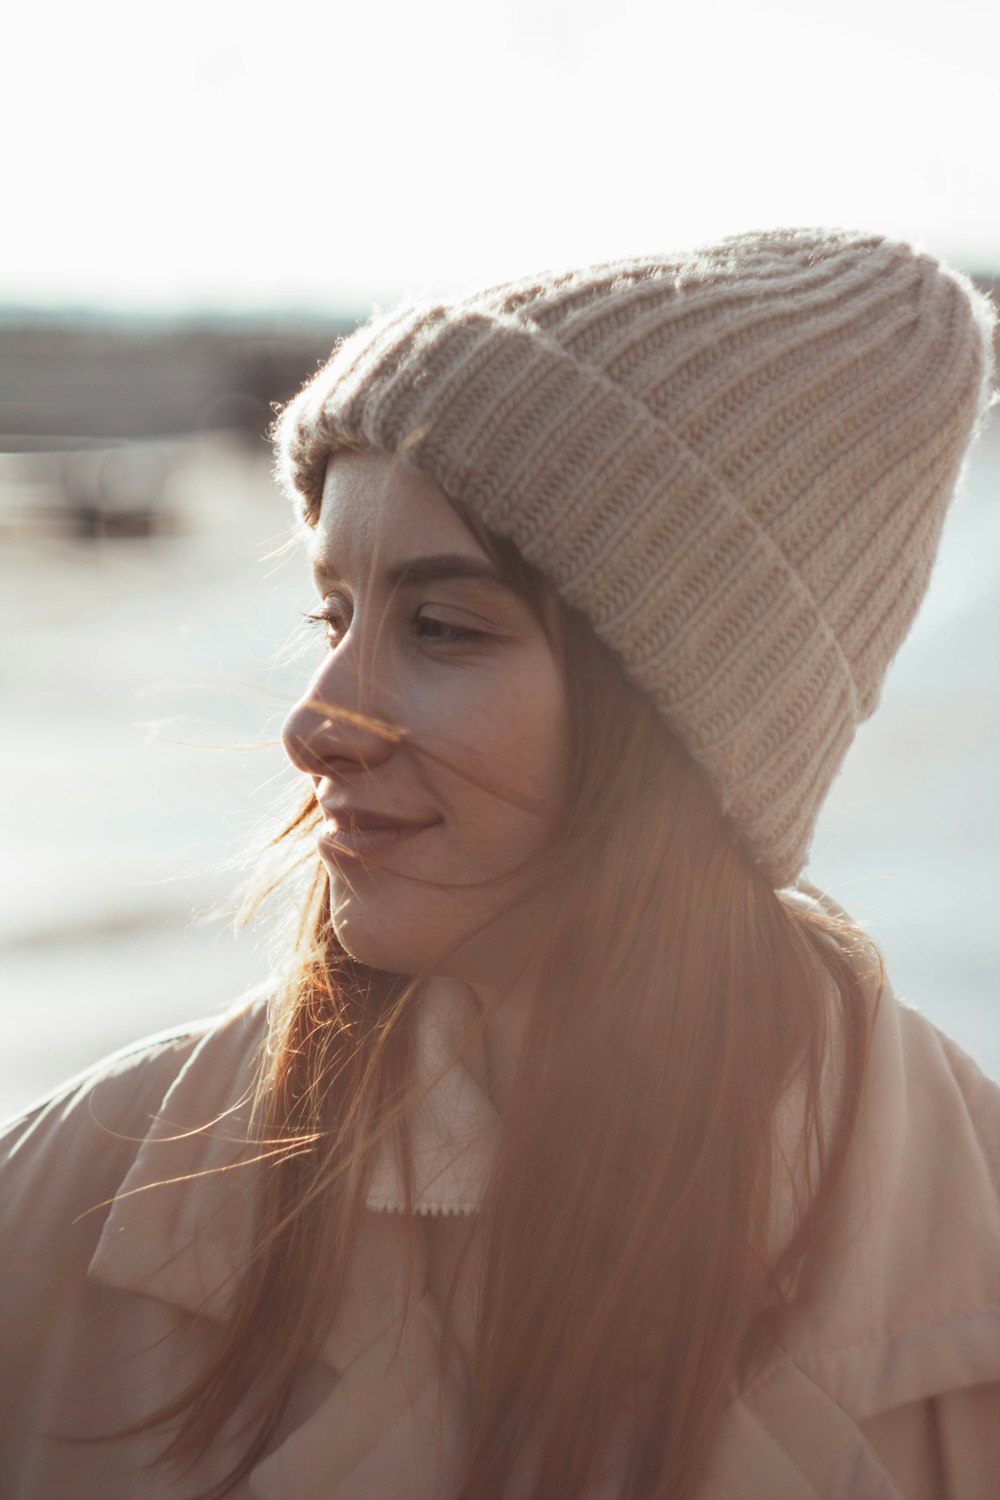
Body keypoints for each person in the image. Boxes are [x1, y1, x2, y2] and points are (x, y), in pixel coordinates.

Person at [1, 228, 998, 1500]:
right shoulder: (74, 1201)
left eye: (441, 627)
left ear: (688, 726)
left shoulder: (963, 1268)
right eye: (334, 614)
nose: (313, 723)